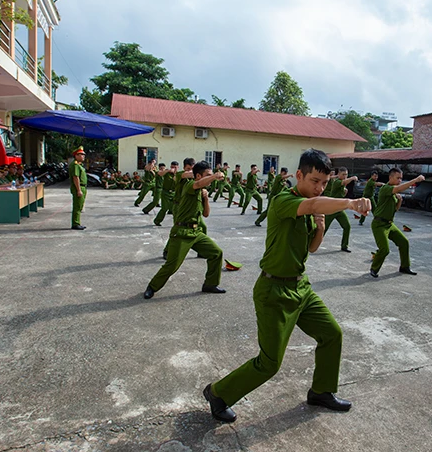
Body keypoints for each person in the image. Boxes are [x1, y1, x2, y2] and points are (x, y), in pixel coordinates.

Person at [204, 149, 372, 423]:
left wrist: (319, 228)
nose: (319, 188)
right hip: (273, 292)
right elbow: (313, 206)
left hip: (301, 288)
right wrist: (350, 204)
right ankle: (218, 393)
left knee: (332, 334)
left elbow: (312, 249)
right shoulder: (283, 200)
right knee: (269, 364)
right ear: (299, 176)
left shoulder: (311, 204)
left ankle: (322, 391)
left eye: (324, 183)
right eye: (315, 181)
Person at [142, 161, 227, 299]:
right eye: (207, 175)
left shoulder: (201, 191)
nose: (211, 178)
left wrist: (206, 198)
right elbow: (198, 184)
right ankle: (152, 287)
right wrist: (215, 176)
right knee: (172, 265)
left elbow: (206, 214)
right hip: (181, 232)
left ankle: (210, 284)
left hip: (196, 233)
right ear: (198, 176)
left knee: (216, 253)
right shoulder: (190, 185)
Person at [370, 169, 425, 277]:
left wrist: (399, 201)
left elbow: (395, 209)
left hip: (389, 224)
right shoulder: (386, 188)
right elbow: (399, 188)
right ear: (390, 178)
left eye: (401, 178)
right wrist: (415, 180)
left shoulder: (394, 193)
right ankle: (374, 269)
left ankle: (405, 267)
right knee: (384, 250)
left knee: (404, 242)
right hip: (379, 224)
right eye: (398, 178)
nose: (400, 180)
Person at [323, 167, 358, 252]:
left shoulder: (342, 186)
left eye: (346, 174)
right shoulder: (337, 182)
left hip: (339, 209)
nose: (345, 176)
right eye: (343, 174)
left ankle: (344, 246)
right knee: (323, 228)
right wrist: (352, 178)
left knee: (347, 226)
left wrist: (344, 192)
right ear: (338, 174)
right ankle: (310, 243)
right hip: (332, 208)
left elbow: (341, 194)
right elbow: (344, 182)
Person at [153, 162, 179, 226]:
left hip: (174, 193)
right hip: (165, 192)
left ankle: (177, 223)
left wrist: (175, 173)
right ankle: (157, 221)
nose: (173, 169)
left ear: (178, 167)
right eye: (172, 167)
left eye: (175, 167)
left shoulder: (179, 174)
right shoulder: (167, 173)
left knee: (175, 209)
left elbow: (176, 180)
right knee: (164, 208)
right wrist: (167, 170)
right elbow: (160, 174)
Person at [69, 146, 88, 230]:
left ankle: (77, 222)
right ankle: (75, 223)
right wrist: (79, 190)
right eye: (81, 155)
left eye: (83, 155)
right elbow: (75, 178)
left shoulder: (79, 165)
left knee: (80, 206)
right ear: (76, 155)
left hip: (83, 187)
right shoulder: (75, 165)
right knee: (77, 206)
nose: (83, 156)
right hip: (79, 187)